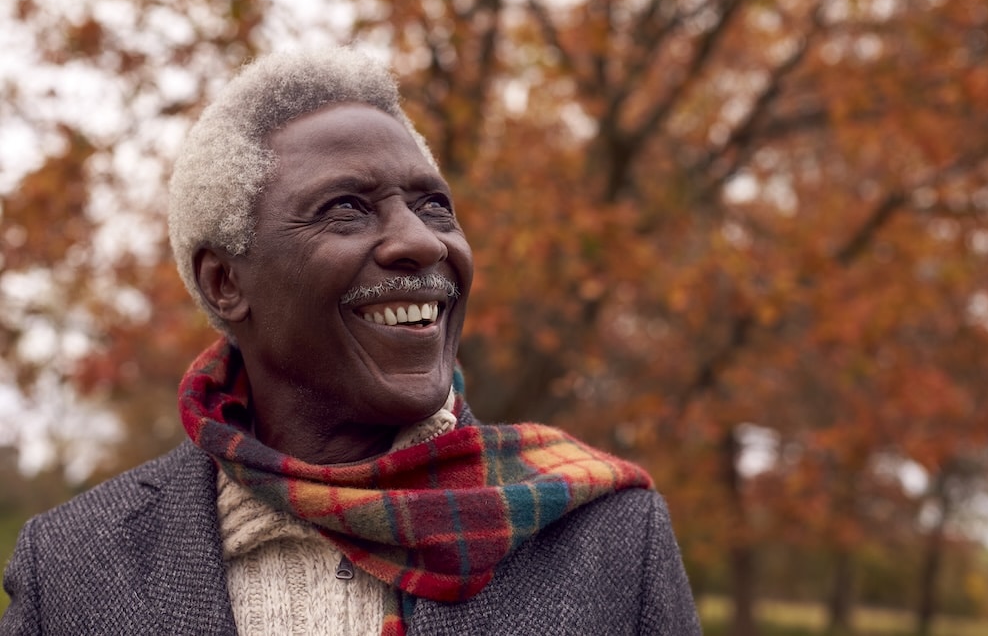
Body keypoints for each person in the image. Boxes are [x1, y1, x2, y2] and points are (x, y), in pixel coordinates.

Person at [0, 47, 701, 635]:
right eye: (346, 209)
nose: (422, 240)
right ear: (224, 284)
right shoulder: (70, 570)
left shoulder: (610, 539)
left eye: (434, 205)